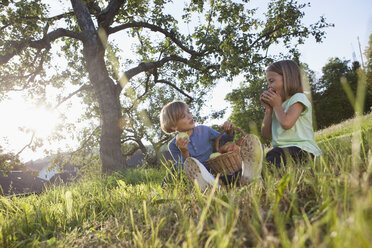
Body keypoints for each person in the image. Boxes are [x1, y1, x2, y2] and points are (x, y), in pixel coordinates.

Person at [160, 100, 263, 191]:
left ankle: (247, 174)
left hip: (214, 168)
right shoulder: (174, 145)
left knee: (229, 174)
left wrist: (229, 131)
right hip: (198, 175)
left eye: (189, 112)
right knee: (175, 169)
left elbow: (224, 141)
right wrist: (184, 152)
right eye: (183, 116)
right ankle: (213, 184)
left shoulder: (204, 130)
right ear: (173, 126)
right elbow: (186, 168)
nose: (189, 116)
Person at [260, 60, 322, 168]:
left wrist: (276, 106)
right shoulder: (277, 106)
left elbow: (287, 124)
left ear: (287, 79)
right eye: (268, 83)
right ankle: (229, 179)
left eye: (271, 81)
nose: (269, 86)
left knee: (272, 158)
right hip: (282, 152)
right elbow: (266, 135)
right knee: (265, 162)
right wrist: (268, 110)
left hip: (303, 150)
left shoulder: (298, 98)